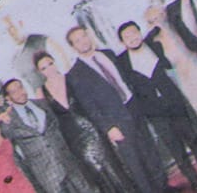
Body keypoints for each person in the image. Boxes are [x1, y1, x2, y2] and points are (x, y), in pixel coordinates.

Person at [64, 23, 163, 193]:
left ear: (89, 35)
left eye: (83, 36)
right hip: (115, 121)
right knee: (135, 163)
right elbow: (89, 106)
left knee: (150, 151)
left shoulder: (107, 54)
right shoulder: (75, 74)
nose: (83, 42)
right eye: (77, 41)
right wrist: (108, 128)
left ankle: (164, 188)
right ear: (73, 47)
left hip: (133, 107)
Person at [115, 18, 197, 188]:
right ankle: (195, 183)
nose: (132, 37)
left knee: (195, 141)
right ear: (122, 42)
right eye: (127, 36)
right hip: (155, 114)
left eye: (134, 32)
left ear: (140, 32)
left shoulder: (155, 46)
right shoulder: (122, 62)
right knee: (177, 152)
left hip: (176, 105)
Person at [34, 49, 123, 193]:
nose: (49, 69)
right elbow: (48, 121)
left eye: (50, 64)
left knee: (114, 168)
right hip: (74, 140)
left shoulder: (70, 78)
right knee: (98, 177)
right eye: (43, 68)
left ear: (55, 62)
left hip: (93, 130)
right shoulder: (41, 92)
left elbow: (89, 104)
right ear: (39, 72)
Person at [0, 77, 93, 193]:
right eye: (14, 92)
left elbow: (58, 127)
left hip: (68, 164)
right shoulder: (9, 120)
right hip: (46, 175)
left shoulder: (42, 104)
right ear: (8, 98)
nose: (20, 92)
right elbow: (10, 151)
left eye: (20, 87)